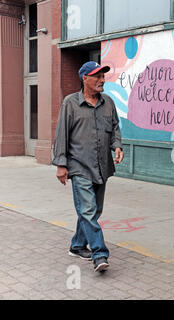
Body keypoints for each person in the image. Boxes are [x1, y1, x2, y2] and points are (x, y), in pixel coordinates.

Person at [52, 61, 124, 272]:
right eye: (97, 76)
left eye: (103, 76)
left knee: (93, 210)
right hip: (79, 165)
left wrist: (117, 145)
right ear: (85, 78)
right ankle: (100, 254)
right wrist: (61, 164)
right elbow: (61, 134)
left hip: (102, 165)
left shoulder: (108, 102)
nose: (102, 80)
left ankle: (76, 246)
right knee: (88, 210)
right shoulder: (70, 103)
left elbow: (115, 127)